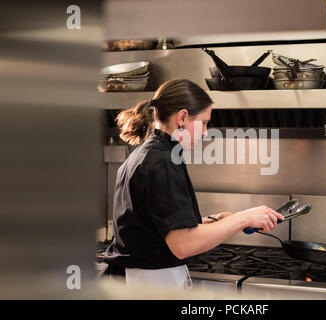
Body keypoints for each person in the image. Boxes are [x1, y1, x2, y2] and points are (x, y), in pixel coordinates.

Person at [103, 79, 283, 290]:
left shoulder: (148, 154)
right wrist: (244, 219)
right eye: (204, 123)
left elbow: (158, 227)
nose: (206, 132)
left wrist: (220, 220)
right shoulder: (162, 162)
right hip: (148, 285)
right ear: (182, 117)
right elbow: (183, 245)